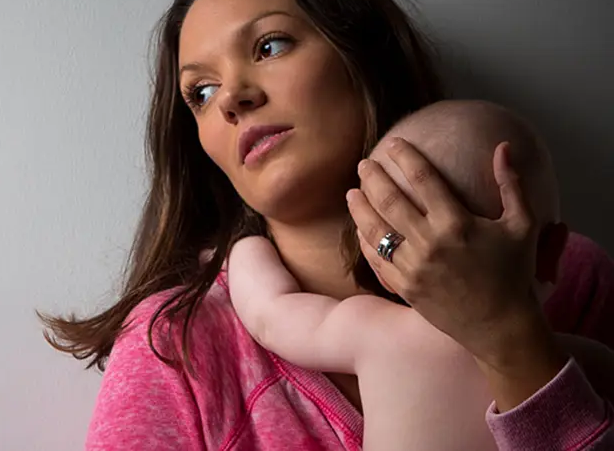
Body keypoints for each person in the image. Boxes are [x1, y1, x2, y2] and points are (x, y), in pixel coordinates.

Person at [39, 0, 614, 449]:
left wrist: (510, 337)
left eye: (269, 46)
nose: (233, 99)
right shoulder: (177, 345)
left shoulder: (570, 274)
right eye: (202, 93)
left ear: (359, 54)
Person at [228, 100, 614, 450]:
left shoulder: (375, 333)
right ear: (553, 254)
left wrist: (246, 248)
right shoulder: (582, 364)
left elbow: (269, 315)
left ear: (382, 259)